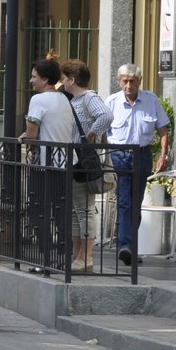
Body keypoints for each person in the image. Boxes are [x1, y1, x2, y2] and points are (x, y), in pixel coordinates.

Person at [106, 64, 172, 267]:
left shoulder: (151, 100)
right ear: (119, 82)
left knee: (135, 203)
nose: (128, 85)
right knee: (124, 201)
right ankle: (125, 246)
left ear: (139, 82)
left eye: (132, 81)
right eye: (124, 81)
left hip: (141, 156)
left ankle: (130, 247)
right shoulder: (111, 102)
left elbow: (162, 130)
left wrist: (163, 155)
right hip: (119, 155)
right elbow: (100, 129)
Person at [21, 57, 79, 273]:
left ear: (45, 79)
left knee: (38, 211)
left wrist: (25, 137)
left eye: (34, 77)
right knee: (61, 211)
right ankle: (64, 259)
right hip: (64, 163)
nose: (31, 81)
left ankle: (46, 259)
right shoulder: (63, 98)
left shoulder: (39, 100)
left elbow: (33, 133)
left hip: (45, 163)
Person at [61, 58, 114, 273]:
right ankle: (77, 255)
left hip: (84, 160)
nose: (63, 83)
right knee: (76, 211)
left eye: (64, 79)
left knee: (84, 210)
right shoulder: (73, 100)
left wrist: (91, 135)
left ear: (72, 80)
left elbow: (106, 115)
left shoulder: (88, 97)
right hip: (75, 160)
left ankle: (87, 257)